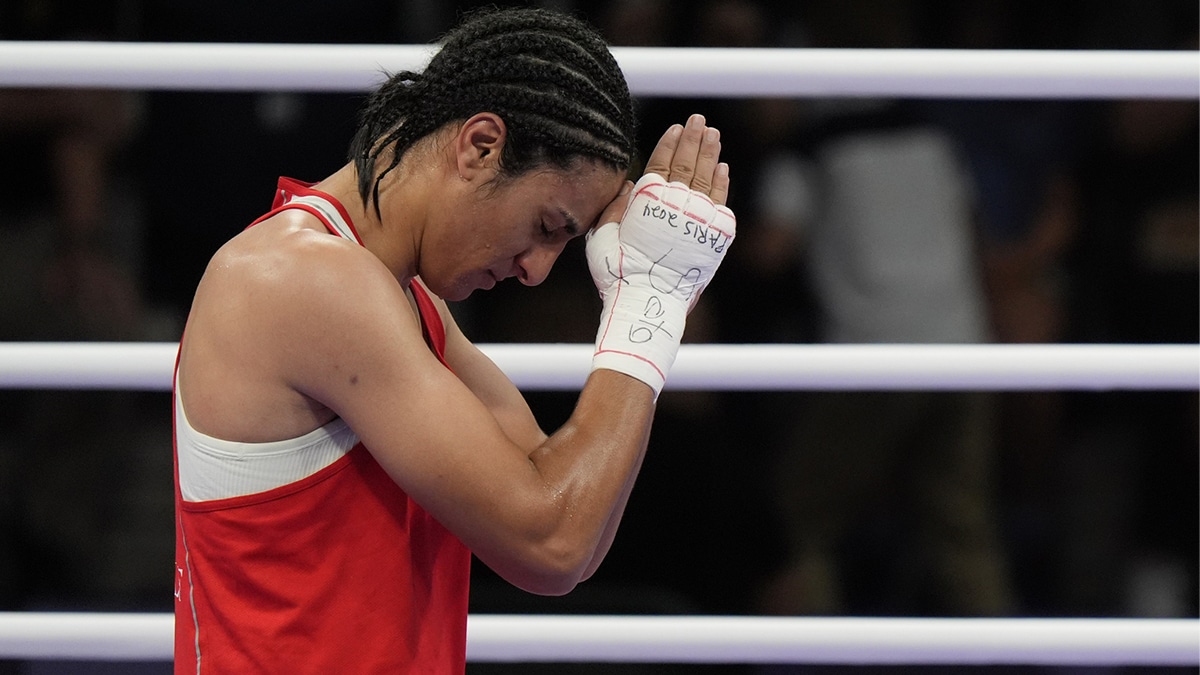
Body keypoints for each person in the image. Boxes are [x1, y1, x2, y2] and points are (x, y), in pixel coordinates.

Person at [171, 7, 734, 673]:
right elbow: (550, 540)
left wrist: (640, 300)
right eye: (549, 225)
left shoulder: (409, 301)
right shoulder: (304, 281)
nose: (537, 272)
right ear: (481, 146)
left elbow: (573, 529)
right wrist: (651, 304)